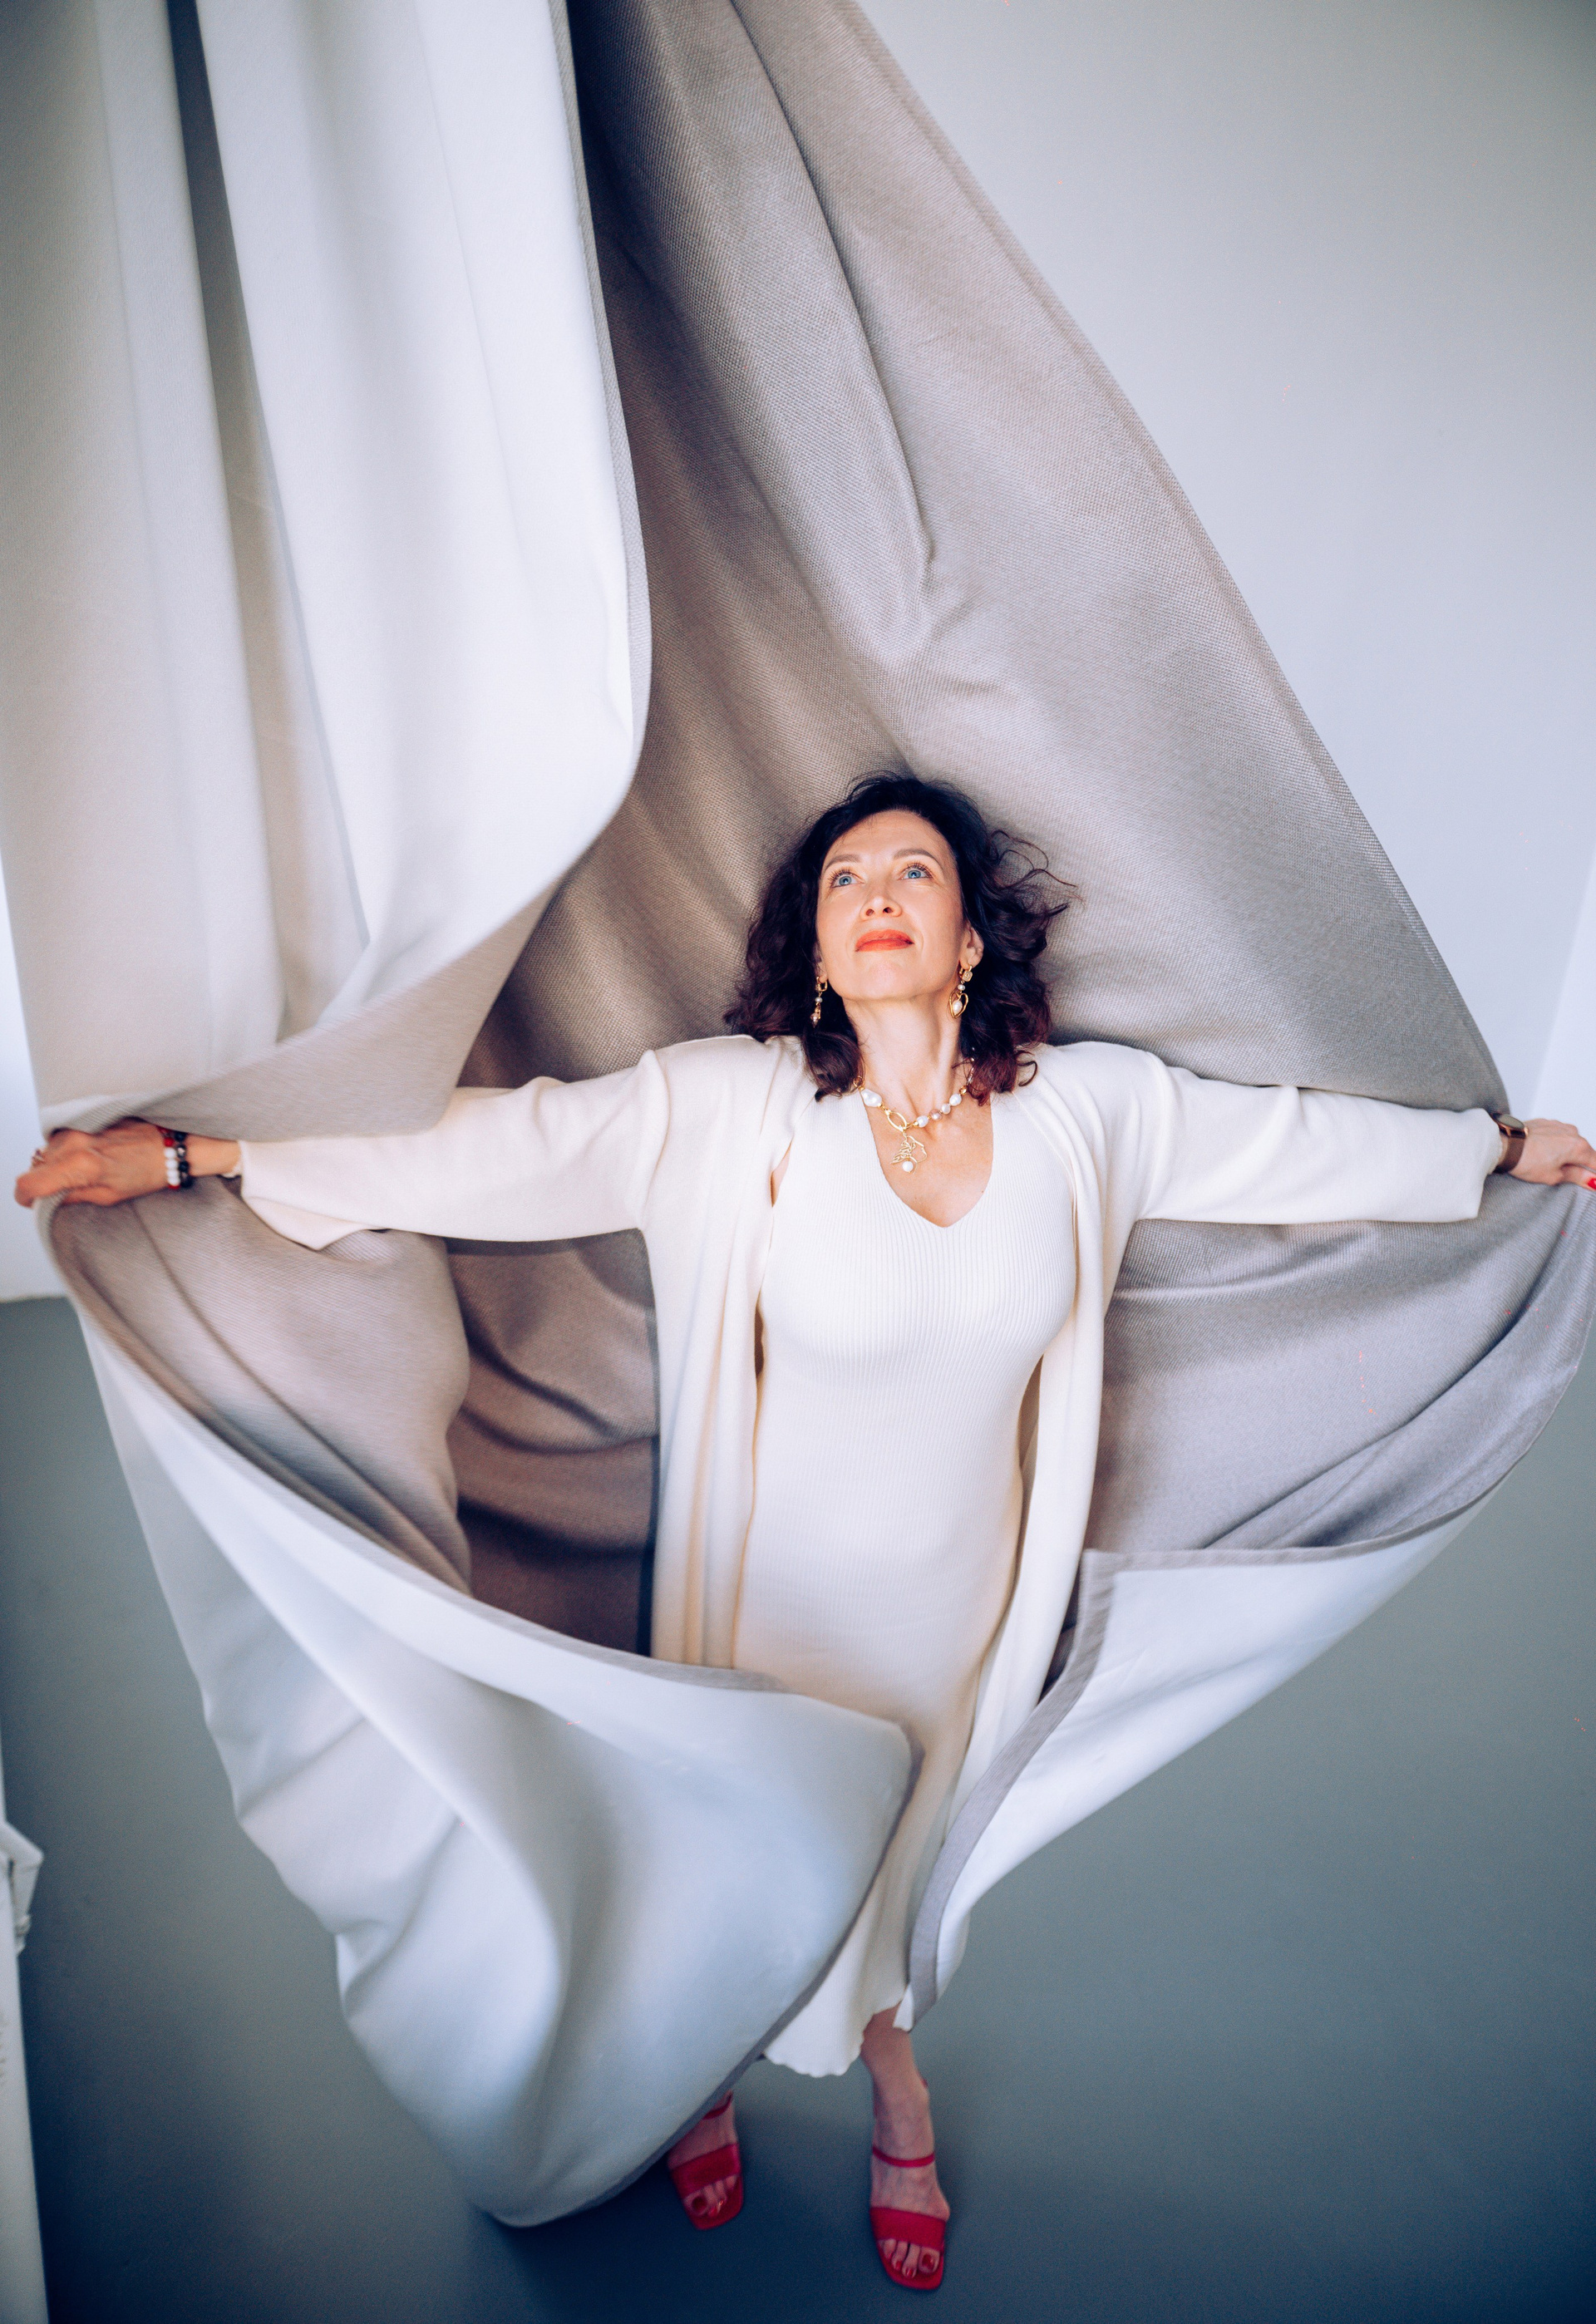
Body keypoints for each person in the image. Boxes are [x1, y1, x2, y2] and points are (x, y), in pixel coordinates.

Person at [17, 772, 1596, 2292]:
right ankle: (702, 2077)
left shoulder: (1091, 1115)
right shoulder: (748, 1107)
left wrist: (1491, 1153)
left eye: (912, 871)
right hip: (767, 1616)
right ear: (822, 949)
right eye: (845, 879)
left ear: (967, 937)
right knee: (738, 1870)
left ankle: (895, 2094)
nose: (875, 894)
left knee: (900, 1882)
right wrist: (203, 1154)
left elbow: (1288, 1144)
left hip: (960, 1617)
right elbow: (503, 1144)